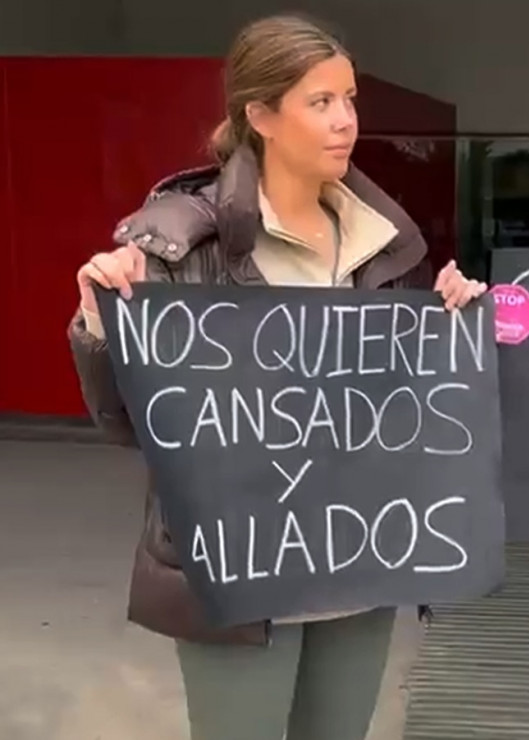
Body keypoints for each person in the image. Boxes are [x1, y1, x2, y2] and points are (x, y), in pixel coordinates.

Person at [67, 14, 484, 740]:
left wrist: (455, 330)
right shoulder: (177, 240)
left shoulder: (383, 244)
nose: (346, 121)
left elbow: (408, 409)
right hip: (239, 574)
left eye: (350, 99)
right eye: (320, 102)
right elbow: (127, 422)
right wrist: (103, 325)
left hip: (360, 561)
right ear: (260, 115)